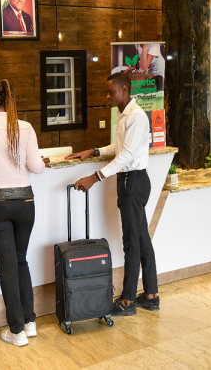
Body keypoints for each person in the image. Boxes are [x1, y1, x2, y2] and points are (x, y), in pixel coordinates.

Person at [65, 72, 159, 317]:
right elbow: (119, 148)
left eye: (110, 92)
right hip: (131, 182)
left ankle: (128, 301)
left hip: (133, 183)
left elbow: (126, 156)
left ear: (124, 90)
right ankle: (151, 295)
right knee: (142, 239)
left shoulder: (136, 116)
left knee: (132, 243)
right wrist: (94, 151)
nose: (107, 96)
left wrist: (94, 177)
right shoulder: (124, 114)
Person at [0, 79, 49, 347]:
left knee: (7, 267)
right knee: (20, 261)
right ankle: (29, 322)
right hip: (25, 202)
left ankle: (16, 332)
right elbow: (36, 167)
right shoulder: (25, 127)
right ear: (11, 103)